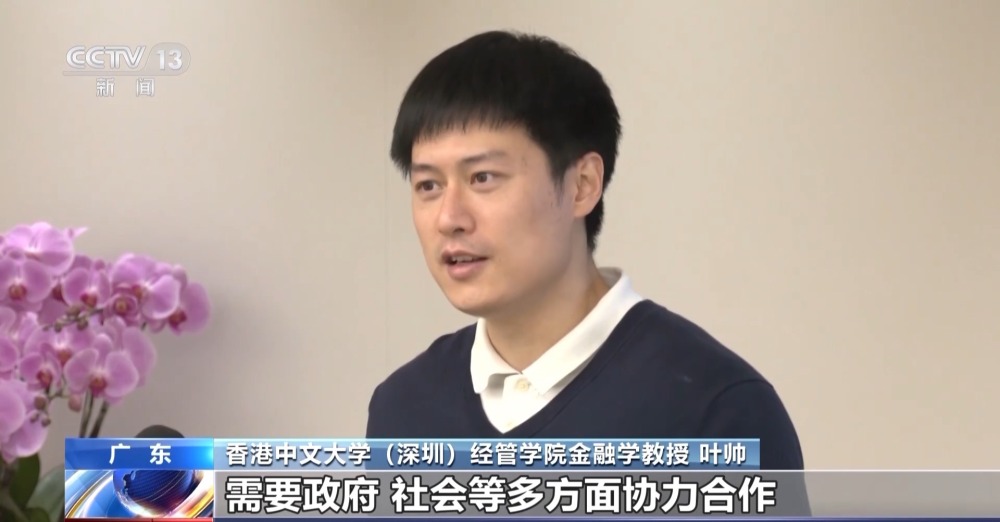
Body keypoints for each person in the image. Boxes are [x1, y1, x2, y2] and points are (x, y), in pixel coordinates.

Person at [366, 30, 805, 471]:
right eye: (428, 185)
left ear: (582, 185)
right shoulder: (402, 410)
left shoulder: (716, 411)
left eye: (482, 178)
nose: (449, 218)